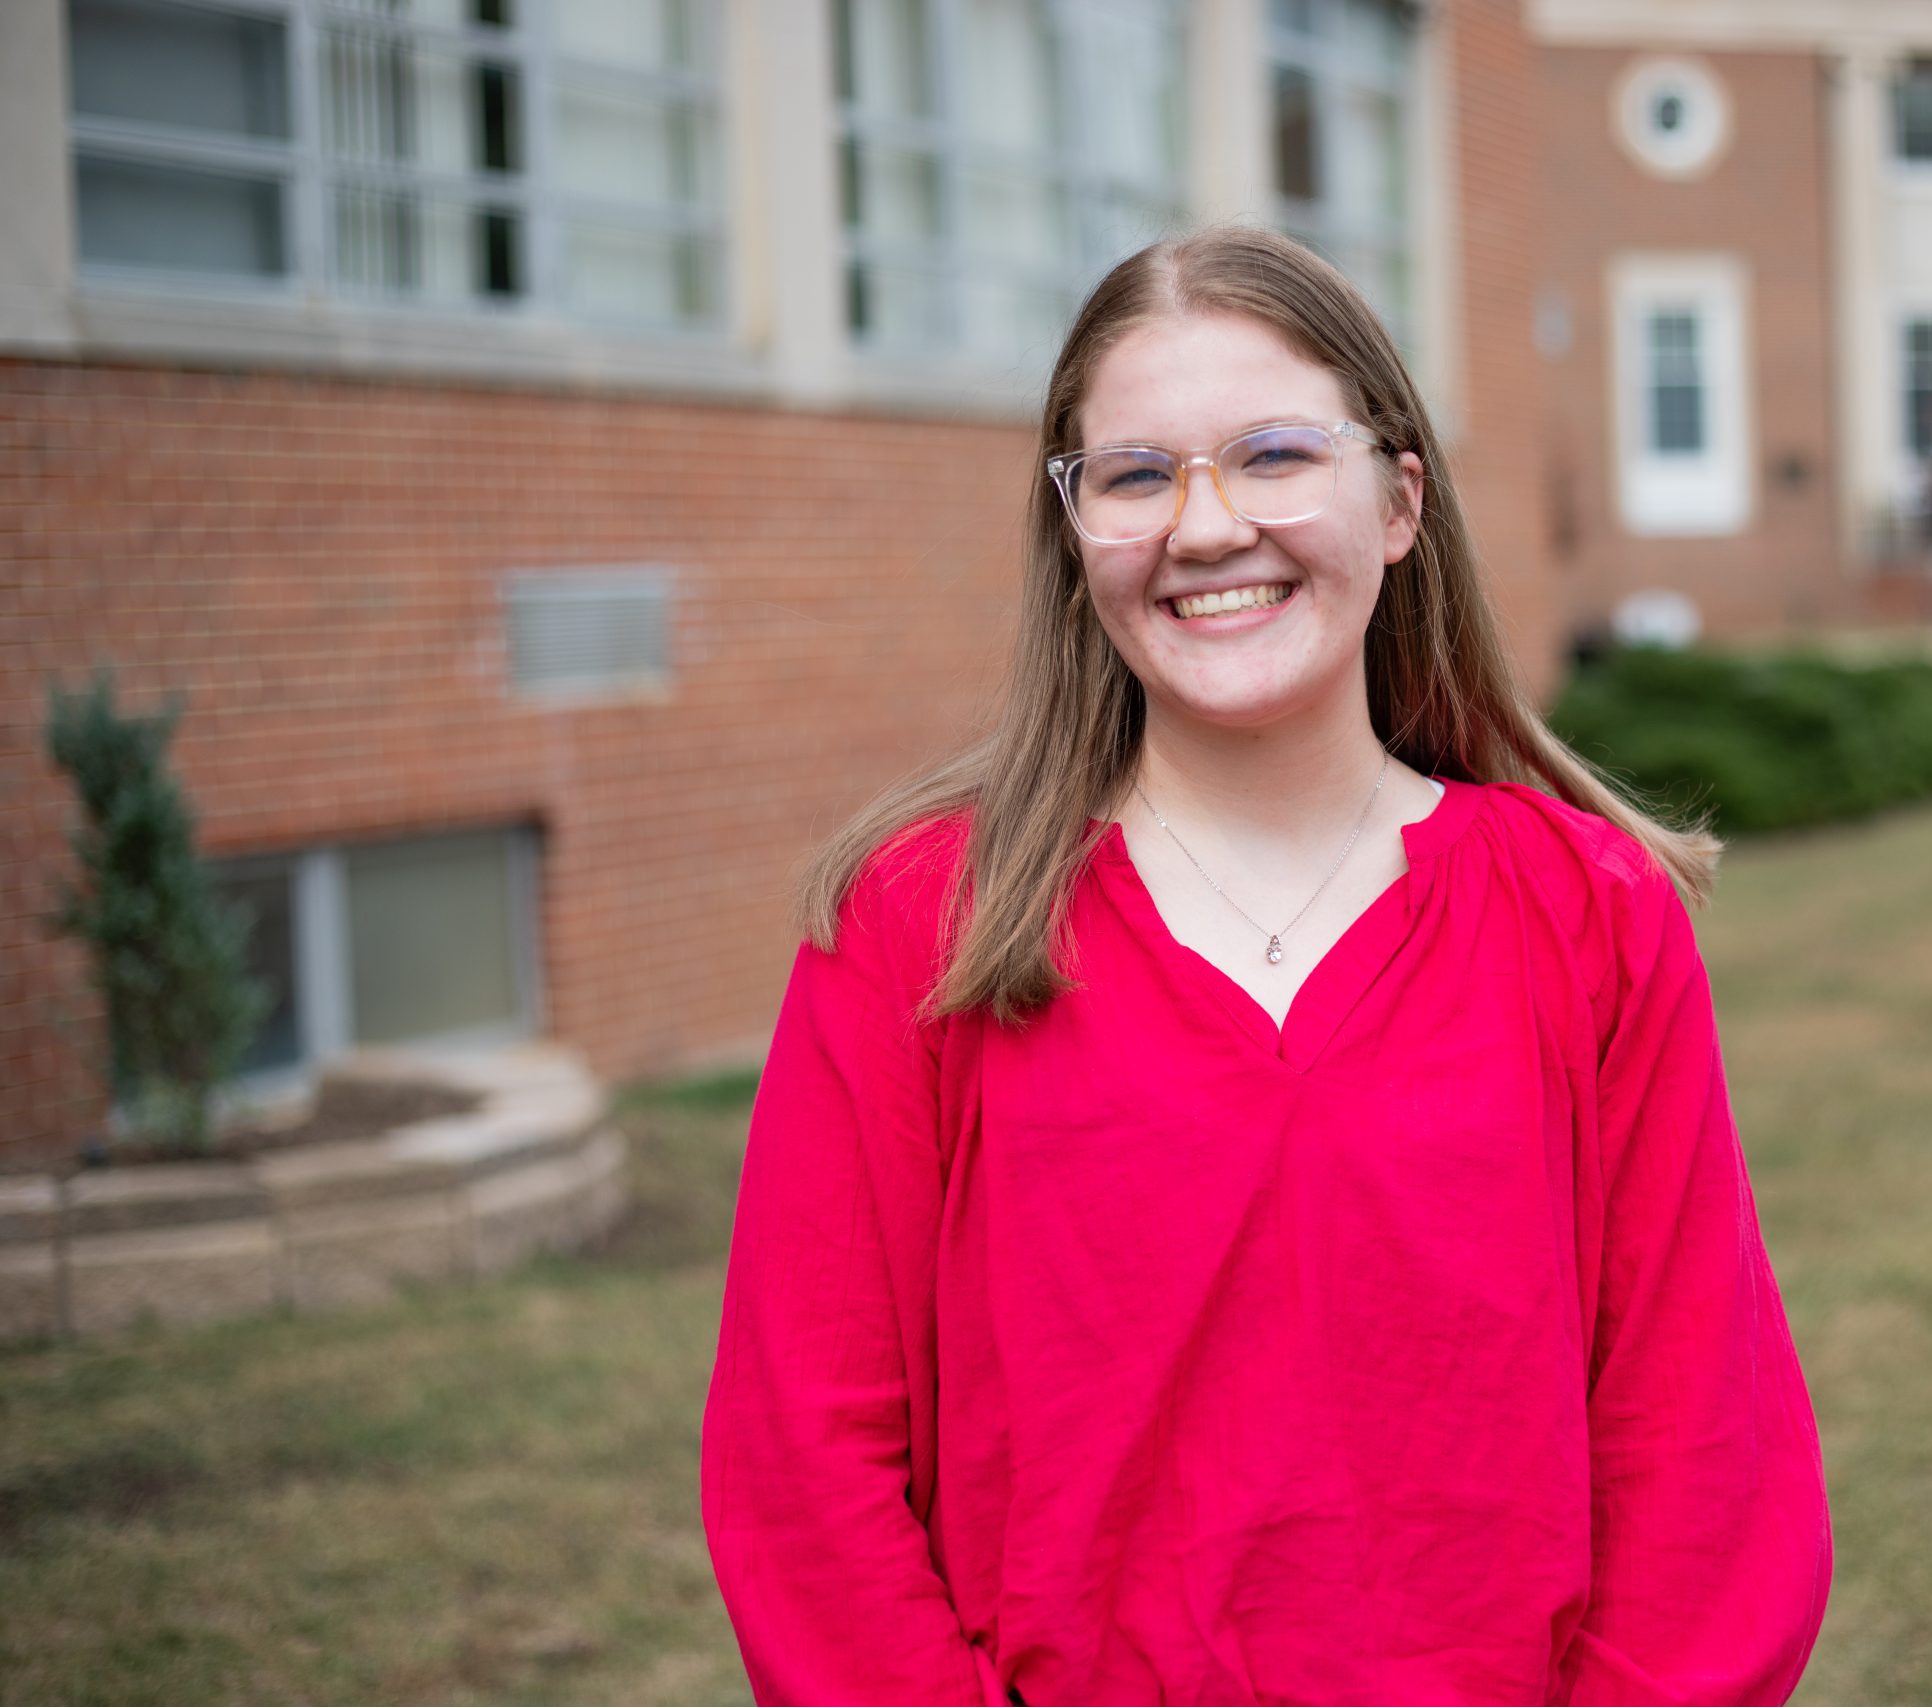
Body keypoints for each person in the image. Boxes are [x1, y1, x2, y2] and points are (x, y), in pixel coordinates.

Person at [698, 226, 1831, 1707]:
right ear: (1077, 531)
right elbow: (806, 1462)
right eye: (1135, 474)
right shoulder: (922, 930)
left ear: (1402, 500)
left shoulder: (1589, 912)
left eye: (1275, 455)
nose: (1207, 524)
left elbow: (1704, 1449)